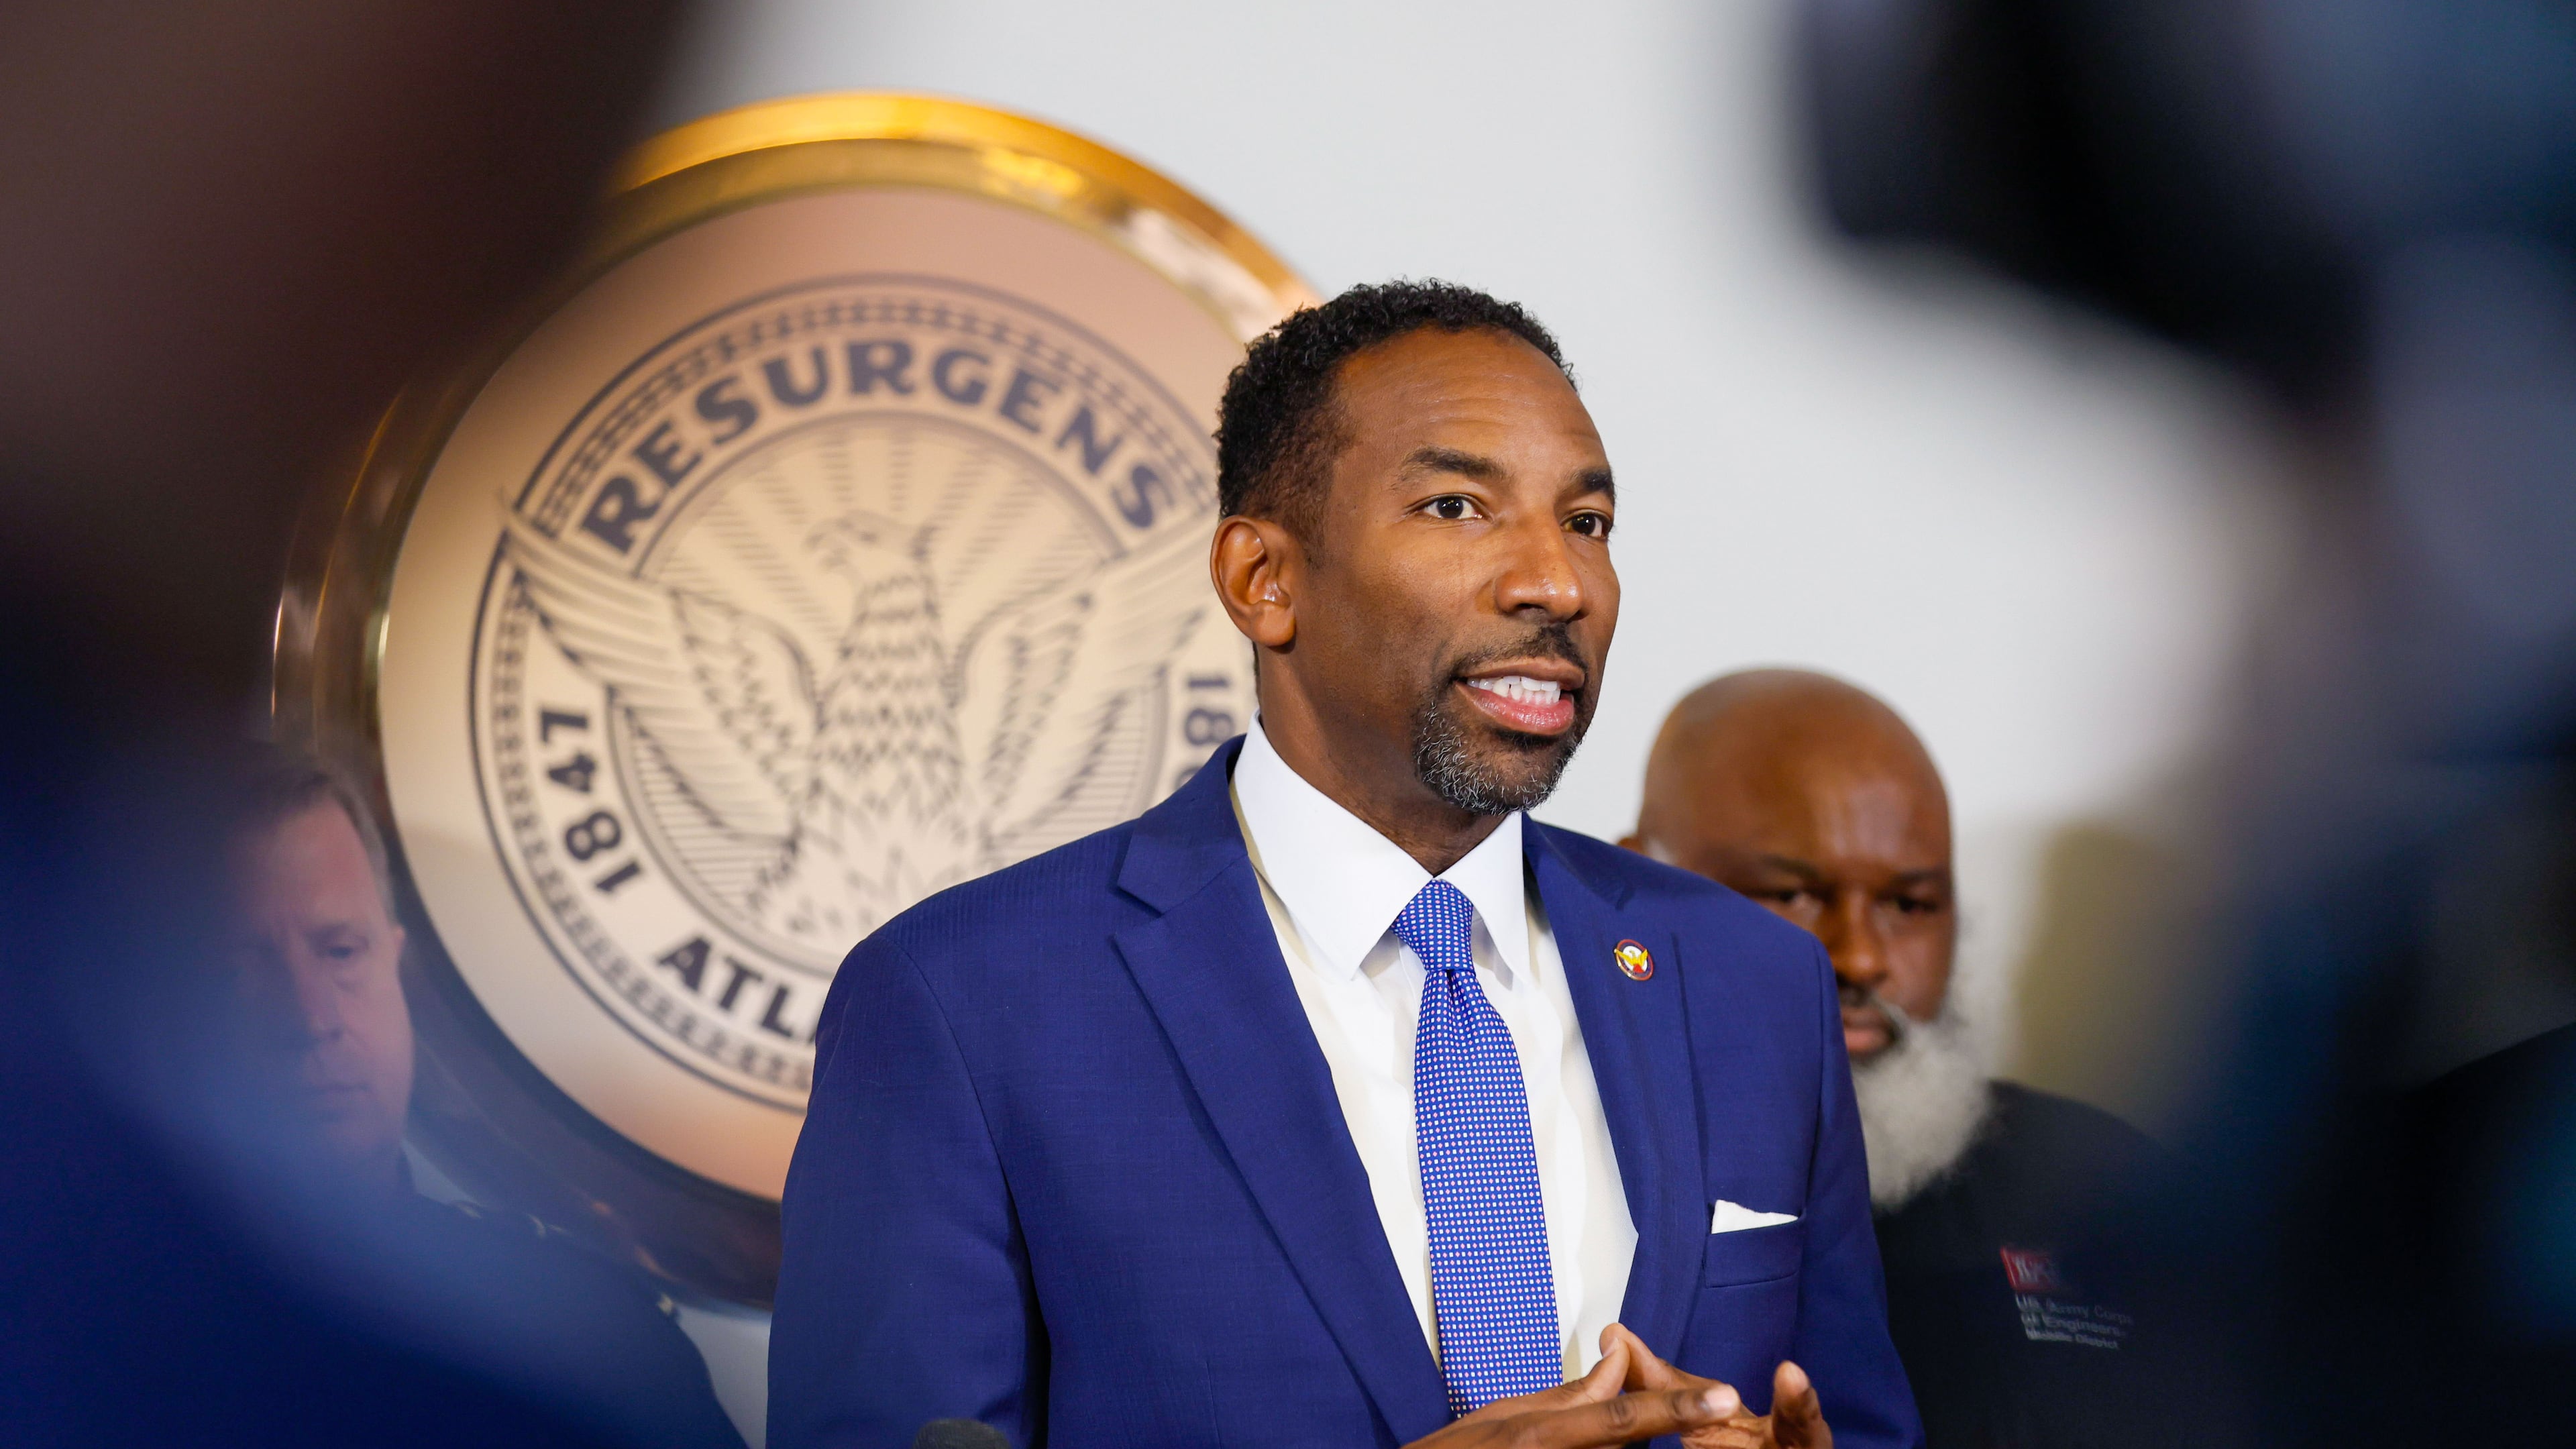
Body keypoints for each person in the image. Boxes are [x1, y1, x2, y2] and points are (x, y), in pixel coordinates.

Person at [770, 282, 1921, 1449]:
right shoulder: (963, 1003)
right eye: (1458, 505)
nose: (1558, 585)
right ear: (1264, 582)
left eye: (1588, 522)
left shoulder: (1751, 984)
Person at [1626, 670, 2169, 1448]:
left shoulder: (2104, 1187)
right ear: (1637, 875)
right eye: (1791, 894)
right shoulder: (1551, 1173)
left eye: (1910, 905)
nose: (1861, 957)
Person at [210, 746, 745, 1449]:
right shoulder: (65, 1349)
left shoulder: (585, 1339)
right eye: (245, 967)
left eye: (341, 952)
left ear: (395, 961)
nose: (312, 1018)